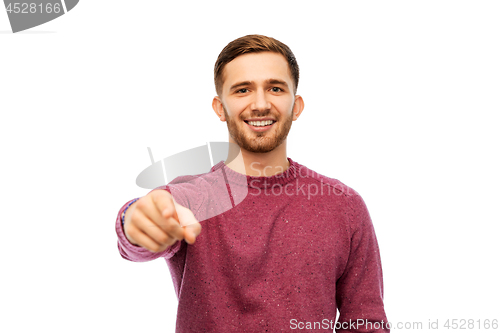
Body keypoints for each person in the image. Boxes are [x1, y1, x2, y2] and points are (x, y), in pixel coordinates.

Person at [116, 34, 390, 332]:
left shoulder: (344, 205)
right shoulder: (186, 199)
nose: (260, 104)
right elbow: (139, 237)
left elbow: (366, 323)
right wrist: (134, 218)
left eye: (275, 88)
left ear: (296, 106)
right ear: (220, 108)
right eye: (242, 90)